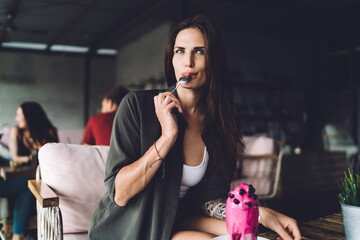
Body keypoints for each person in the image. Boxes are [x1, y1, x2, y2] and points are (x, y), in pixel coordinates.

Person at [89, 15, 301, 240]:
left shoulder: (220, 126)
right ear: (171, 59)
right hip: (129, 231)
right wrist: (167, 136)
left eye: (199, 51)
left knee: (248, 236)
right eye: (180, 51)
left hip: (177, 224)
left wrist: (259, 215)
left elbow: (210, 201)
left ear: (214, 60)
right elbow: (120, 194)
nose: (187, 62)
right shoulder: (137, 106)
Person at [0, 101, 58, 240]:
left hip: (44, 175)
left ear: (29, 116)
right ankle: (19, 234)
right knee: (28, 185)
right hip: (24, 176)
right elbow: (15, 158)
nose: (16, 118)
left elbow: (56, 157)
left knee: (36, 185)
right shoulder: (16, 132)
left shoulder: (48, 132)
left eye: (19, 115)